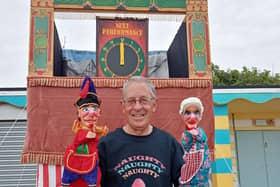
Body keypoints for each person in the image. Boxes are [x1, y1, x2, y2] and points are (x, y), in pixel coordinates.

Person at [98, 76, 184, 187]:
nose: (137, 107)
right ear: (123, 106)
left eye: (143, 100)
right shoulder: (105, 146)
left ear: (154, 105)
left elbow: (187, 181)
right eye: (131, 101)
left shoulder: (170, 145)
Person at [61, 76, 108, 187]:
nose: (91, 113)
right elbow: (81, 138)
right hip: (78, 164)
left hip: (93, 161)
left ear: (99, 112)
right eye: (86, 109)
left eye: (94, 109)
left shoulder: (95, 130)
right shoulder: (82, 132)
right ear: (79, 113)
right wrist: (91, 134)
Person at [178, 97, 211, 187]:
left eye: (196, 112)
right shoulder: (186, 135)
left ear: (200, 116)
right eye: (188, 112)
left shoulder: (200, 133)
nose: (192, 117)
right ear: (182, 115)